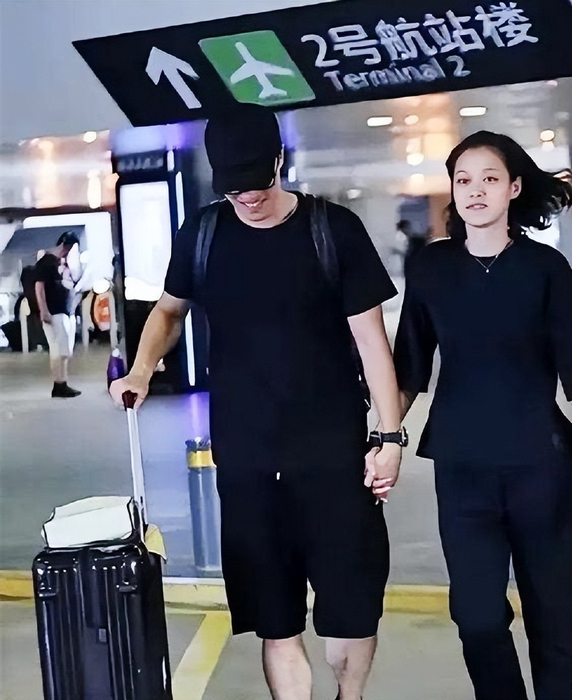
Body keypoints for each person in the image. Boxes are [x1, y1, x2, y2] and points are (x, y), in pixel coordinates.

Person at [109, 104, 407, 700]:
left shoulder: (333, 229)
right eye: (232, 186)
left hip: (334, 454)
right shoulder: (203, 233)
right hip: (246, 459)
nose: (247, 196)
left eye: (257, 180)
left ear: (279, 161)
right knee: (275, 619)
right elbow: (168, 311)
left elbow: (372, 341)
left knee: (351, 609)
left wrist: (390, 436)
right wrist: (140, 369)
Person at [389, 130, 572, 700]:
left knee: (553, 624)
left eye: (489, 179)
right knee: (477, 616)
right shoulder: (433, 267)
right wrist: (385, 437)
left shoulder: (545, 267)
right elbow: (409, 366)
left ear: (513, 188)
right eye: (463, 180)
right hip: (462, 470)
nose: (475, 191)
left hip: (541, 467)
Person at [35, 231, 82, 398]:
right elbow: (39, 288)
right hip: (53, 311)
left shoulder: (59, 263)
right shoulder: (46, 263)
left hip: (62, 310)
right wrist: (44, 310)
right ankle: (59, 384)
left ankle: (62, 382)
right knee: (58, 350)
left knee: (64, 350)